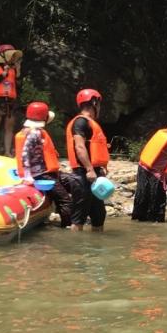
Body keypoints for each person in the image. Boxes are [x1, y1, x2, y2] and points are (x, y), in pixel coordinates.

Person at [15, 101, 71, 228]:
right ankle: (68, 228)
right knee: (65, 201)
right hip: (41, 175)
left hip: (43, 173)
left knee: (72, 183)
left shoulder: (27, 131)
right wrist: (28, 177)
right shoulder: (35, 133)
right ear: (44, 118)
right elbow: (25, 154)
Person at [65, 88, 110, 232]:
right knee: (79, 218)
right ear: (94, 103)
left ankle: (96, 252)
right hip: (83, 174)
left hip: (94, 176)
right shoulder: (80, 122)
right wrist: (90, 169)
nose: (100, 108)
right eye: (99, 104)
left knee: (99, 216)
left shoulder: (89, 123)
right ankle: (75, 251)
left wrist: (99, 168)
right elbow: (79, 147)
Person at [0, 43, 22, 156]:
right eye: (9, 54)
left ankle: (7, 152)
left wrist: (18, 73)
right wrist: (3, 74)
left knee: (9, 127)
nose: (12, 57)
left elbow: (18, 86)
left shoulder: (14, 69)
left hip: (10, 100)